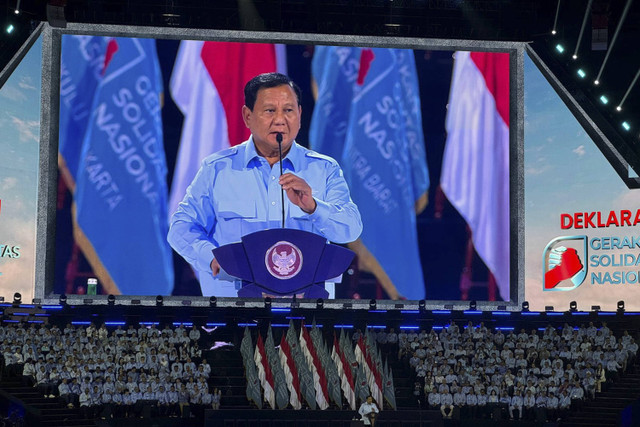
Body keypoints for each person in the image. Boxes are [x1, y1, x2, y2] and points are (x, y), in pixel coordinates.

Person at [168, 72, 363, 297]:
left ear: (300, 114)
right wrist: (211, 257)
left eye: (289, 110)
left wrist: (314, 207)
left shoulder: (324, 169)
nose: (280, 120)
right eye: (270, 110)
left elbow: (351, 229)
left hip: (305, 317)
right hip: (234, 314)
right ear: (248, 116)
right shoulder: (217, 169)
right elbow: (181, 227)